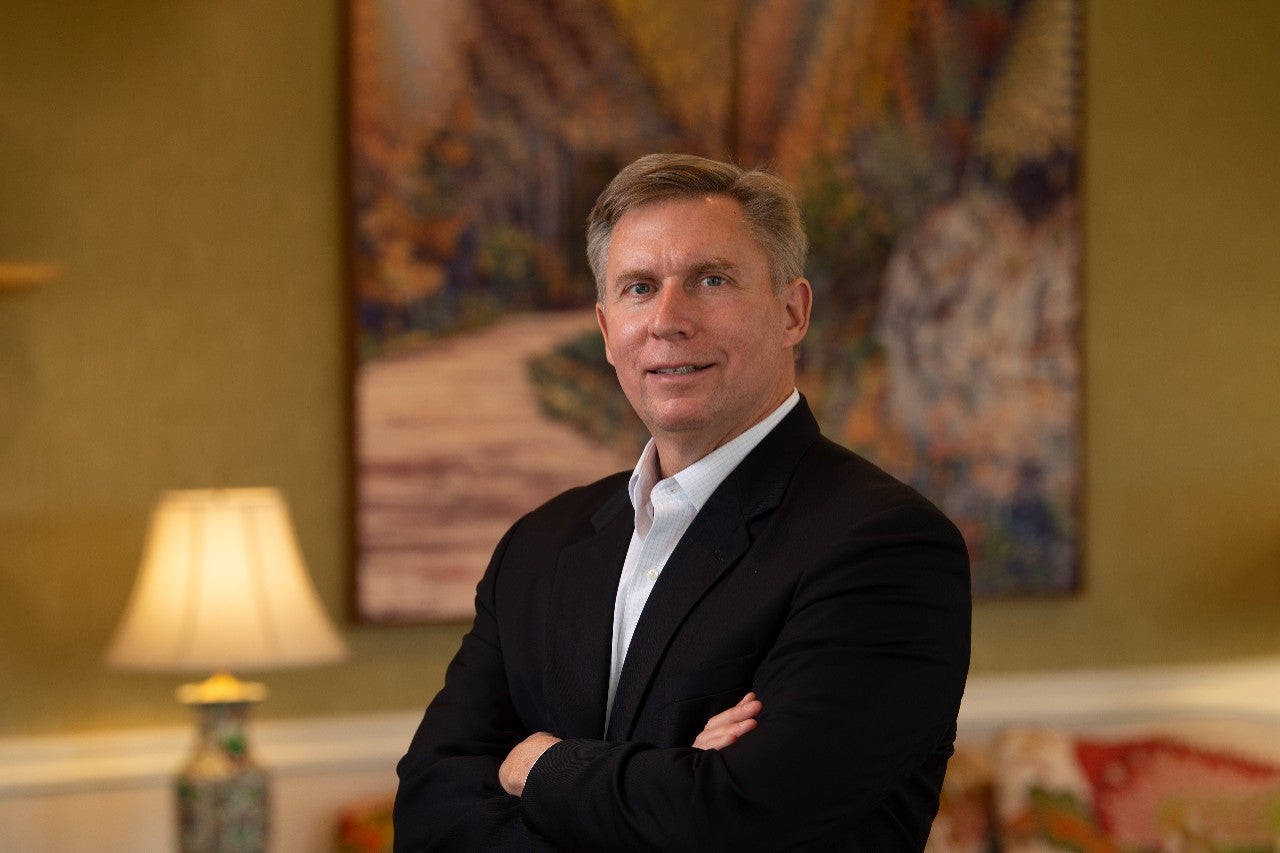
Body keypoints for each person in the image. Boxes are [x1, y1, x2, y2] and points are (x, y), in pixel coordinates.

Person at [393, 153, 971, 851]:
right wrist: (675, 782)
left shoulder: (886, 546)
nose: (668, 320)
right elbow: (428, 813)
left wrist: (541, 765)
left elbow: (745, 819)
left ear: (792, 312)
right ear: (606, 330)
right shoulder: (539, 546)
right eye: (639, 288)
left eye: (711, 280)